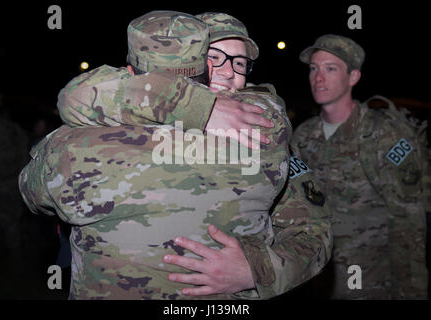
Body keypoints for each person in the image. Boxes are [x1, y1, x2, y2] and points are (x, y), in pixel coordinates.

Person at [54, 11, 332, 298]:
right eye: (214, 57)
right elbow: (78, 95)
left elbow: (313, 230)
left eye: (239, 62)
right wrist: (196, 106)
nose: (227, 71)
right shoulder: (130, 109)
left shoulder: (263, 127)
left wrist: (258, 270)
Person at [291, 34, 429, 299]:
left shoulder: (383, 135)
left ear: (353, 77)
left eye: (330, 69)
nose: (318, 78)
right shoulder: (303, 136)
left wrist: (411, 292)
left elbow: (408, 223)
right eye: (313, 68)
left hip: (371, 282)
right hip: (315, 280)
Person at [0, 92, 29, 275]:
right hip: (10, 188)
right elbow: (25, 160)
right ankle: (17, 265)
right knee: (11, 226)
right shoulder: (14, 129)